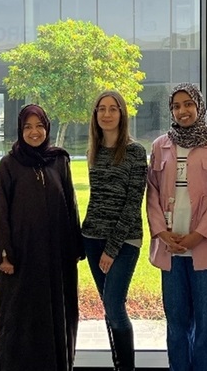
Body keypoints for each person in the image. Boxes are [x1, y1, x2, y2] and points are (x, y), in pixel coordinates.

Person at [0, 104, 83, 371]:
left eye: (39, 126)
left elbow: (70, 204)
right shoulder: (9, 164)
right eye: (28, 127)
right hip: (21, 258)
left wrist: (74, 247)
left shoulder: (59, 160)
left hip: (55, 258)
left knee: (55, 315)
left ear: (47, 128)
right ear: (20, 130)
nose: (34, 132)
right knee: (20, 317)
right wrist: (3, 253)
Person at [146, 82, 207, 371]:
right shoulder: (161, 145)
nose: (182, 110)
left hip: (205, 247)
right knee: (177, 321)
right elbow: (152, 193)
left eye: (188, 104)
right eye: (176, 106)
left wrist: (198, 236)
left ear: (199, 106)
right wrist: (161, 232)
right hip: (171, 249)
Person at [81, 91, 147, 371]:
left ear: (122, 114)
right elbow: (96, 199)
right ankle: (117, 363)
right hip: (93, 238)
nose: (107, 114)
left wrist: (112, 249)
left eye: (113, 108)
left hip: (124, 240)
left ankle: (126, 368)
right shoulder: (93, 151)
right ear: (95, 115)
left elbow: (133, 204)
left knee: (114, 305)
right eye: (101, 109)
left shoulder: (135, 152)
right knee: (109, 309)